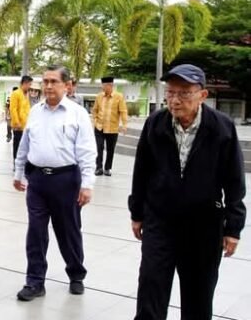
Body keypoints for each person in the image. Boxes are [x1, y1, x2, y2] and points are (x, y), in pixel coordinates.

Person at [129, 64, 246, 320]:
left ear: (202, 95)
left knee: (199, 293)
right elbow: (141, 172)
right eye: (170, 92)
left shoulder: (221, 127)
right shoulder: (155, 124)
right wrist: (137, 213)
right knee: (151, 286)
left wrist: (233, 227)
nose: (175, 99)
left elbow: (234, 181)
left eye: (184, 93)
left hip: (203, 225)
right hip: (160, 221)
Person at [13, 64, 97, 302]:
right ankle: (35, 281)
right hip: (37, 180)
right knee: (36, 232)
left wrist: (87, 184)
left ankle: (76, 275)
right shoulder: (36, 111)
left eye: (54, 81)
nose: (48, 86)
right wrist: (19, 172)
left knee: (68, 231)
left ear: (66, 85)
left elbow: (87, 151)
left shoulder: (77, 113)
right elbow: (25, 144)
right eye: (45, 81)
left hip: (66, 180)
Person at [91, 76, 127, 176]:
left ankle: (107, 168)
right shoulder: (99, 96)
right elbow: (95, 110)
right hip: (99, 127)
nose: (102, 87)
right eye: (102, 85)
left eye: (103, 85)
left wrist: (124, 124)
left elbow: (123, 111)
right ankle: (98, 168)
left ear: (110, 85)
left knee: (110, 149)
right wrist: (94, 121)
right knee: (99, 147)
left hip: (112, 128)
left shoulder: (119, 96)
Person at [9, 76, 32, 160]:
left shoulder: (26, 94)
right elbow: (13, 109)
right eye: (29, 84)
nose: (30, 86)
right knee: (17, 145)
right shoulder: (16, 93)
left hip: (26, 125)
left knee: (25, 146)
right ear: (24, 83)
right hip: (18, 126)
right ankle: (16, 163)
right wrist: (16, 122)